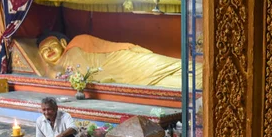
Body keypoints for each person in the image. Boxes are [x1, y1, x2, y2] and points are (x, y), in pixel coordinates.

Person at [31, 32, 203, 89]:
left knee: (168, 66)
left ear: (63, 43)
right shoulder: (57, 69)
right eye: (44, 51)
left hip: (125, 61)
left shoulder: (75, 47)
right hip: (123, 77)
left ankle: (208, 71)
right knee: (171, 83)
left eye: (52, 46)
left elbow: (84, 74)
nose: (49, 51)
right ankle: (204, 82)